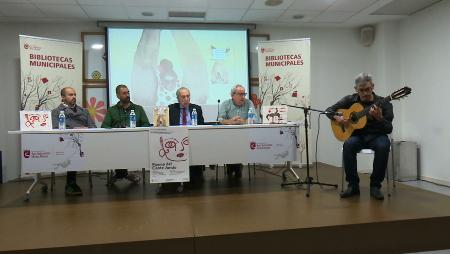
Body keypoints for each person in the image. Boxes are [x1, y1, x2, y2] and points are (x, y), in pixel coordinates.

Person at [326, 73, 393, 200]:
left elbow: (389, 129)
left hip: (377, 135)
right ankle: (353, 186)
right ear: (356, 89)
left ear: (373, 86)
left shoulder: (384, 103)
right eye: (361, 90)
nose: (365, 93)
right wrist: (338, 118)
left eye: (368, 89)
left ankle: (375, 186)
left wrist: (379, 118)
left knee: (384, 145)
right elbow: (329, 110)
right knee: (348, 145)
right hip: (357, 136)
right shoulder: (350, 100)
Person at [101, 84, 150, 184]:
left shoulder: (138, 109)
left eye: (128, 92)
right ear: (118, 96)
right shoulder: (112, 110)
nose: (127, 95)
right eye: (124, 93)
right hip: (116, 143)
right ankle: (124, 174)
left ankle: (120, 174)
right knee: (118, 149)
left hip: (136, 142)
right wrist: (115, 128)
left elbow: (146, 124)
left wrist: (136, 129)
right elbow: (104, 126)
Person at [51, 87, 96, 196]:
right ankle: (70, 183)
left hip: (85, 141)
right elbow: (56, 127)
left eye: (75, 94)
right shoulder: (56, 112)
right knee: (72, 149)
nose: (74, 97)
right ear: (63, 97)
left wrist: (86, 129)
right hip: (65, 142)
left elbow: (93, 127)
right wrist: (75, 128)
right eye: (70, 95)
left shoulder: (84, 111)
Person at [218, 84, 260, 178]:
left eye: (244, 94)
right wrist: (230, 121)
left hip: (245, 136)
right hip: (228, 136)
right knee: (231, 144)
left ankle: (234, 167)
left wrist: (244, 121)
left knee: (238, 144)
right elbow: (220, 119)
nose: (243, 97)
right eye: (240, 94)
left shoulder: (248, 103)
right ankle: (235, 167)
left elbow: (257, 120)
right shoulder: (226, 104)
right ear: (232, 95)